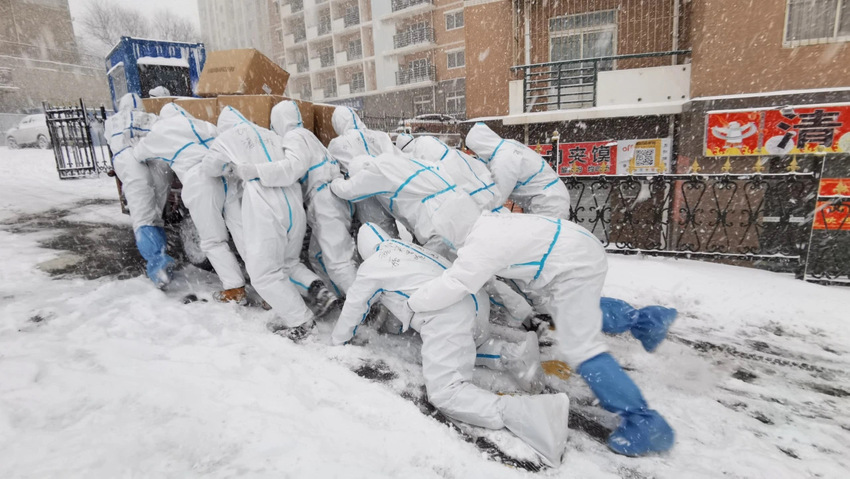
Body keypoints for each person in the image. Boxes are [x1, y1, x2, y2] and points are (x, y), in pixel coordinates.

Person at [407, 212, 676, 457]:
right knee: (572, 309)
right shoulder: (486, 221)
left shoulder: (479, 247)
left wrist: (412, 303)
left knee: (581, 347)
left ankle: (644, 422)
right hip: (575, 246)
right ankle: (646, 321)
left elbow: (456, 283)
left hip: (572, 263)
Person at [332, 224, 571, 467]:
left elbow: (354, 306)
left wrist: (338, 341)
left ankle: (535, 415)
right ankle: (513, 356)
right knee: (468, 346)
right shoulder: (409, 248)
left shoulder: (372, 266)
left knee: (446, 393)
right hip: (474, 301)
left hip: (447, 312)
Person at [204, 106, 338, 341]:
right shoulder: (274, 135)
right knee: (288, 262)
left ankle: (302, 322)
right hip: (293, 203)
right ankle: (317, 288)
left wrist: (232, 168)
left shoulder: (226, 138)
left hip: (265, 205)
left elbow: (210, 167)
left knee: (263, 273)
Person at [133, 103, 246, 302]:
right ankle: (267, 284)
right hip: (227, 175)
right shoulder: (202, 124)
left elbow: (139, 153)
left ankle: (234, 289)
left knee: (213, 240)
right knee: (242, 232)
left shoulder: (160, 130)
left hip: (201, 179)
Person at [269, 101, 357, 295]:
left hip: (325, 200)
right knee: (316, 255)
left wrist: (263, 173)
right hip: (331, 198)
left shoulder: (293, 137)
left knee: (338, 262)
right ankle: (340, 298)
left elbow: (294, 167)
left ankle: (368, 308)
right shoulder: (309, 136)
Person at [329, 152, 481, 256]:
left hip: (438, 223)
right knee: (474, 268)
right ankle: (501, 298)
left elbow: (348, 190)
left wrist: (335, 178)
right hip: (464, 209)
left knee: (428, 274)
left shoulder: (377, 171)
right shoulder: (402, 163)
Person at [105, 93, 175, 288]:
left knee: (143, 216)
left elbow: (112, 142)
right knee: (156, 212)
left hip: (129, 160)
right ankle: (161, 258)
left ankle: (158, 265)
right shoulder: (152, 118)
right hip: (158, 159)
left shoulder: (112, 121)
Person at [465, 122, 571, 219]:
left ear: (480, 146)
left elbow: (498, 195)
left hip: (548, 203)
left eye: (475, 150)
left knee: (543, 237)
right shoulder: (507, 146)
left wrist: (476, 210)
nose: (477, 154)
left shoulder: (504, 158)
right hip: (549, 198)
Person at [327, 107, 398, 237]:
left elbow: (332, 168)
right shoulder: (379, 136)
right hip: (389, 188)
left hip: (364, 194)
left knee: (379, 234)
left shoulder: (337, 143)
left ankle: (392, 255)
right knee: (392, 225)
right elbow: (395, 159)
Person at [396, 133, 500, 211]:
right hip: (456, 157)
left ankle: (484, 210)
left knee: (466, 192)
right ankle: (493, 205)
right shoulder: (425, 138)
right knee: (475, 179)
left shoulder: (411, 155)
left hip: (445, 169)